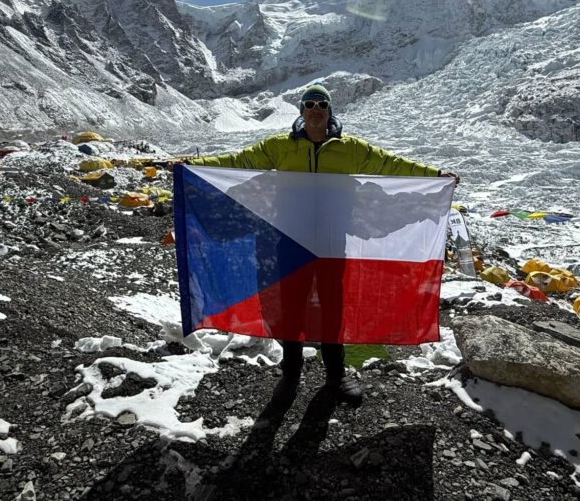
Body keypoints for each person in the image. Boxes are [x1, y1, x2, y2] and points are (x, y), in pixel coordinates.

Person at [182, 85, 459, 408]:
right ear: (301, 111)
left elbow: (390, 164)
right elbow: (240, 160)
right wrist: (194, 166)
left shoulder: (350, 148)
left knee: (332, 306)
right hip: (289, 238)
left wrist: (435, 176)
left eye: (322, 104)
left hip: (331, 240)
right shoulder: (280, 147)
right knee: (291, 306)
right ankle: (291, 372)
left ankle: (336, 375)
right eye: (309, 104)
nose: (316, 109)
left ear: (330, 111)